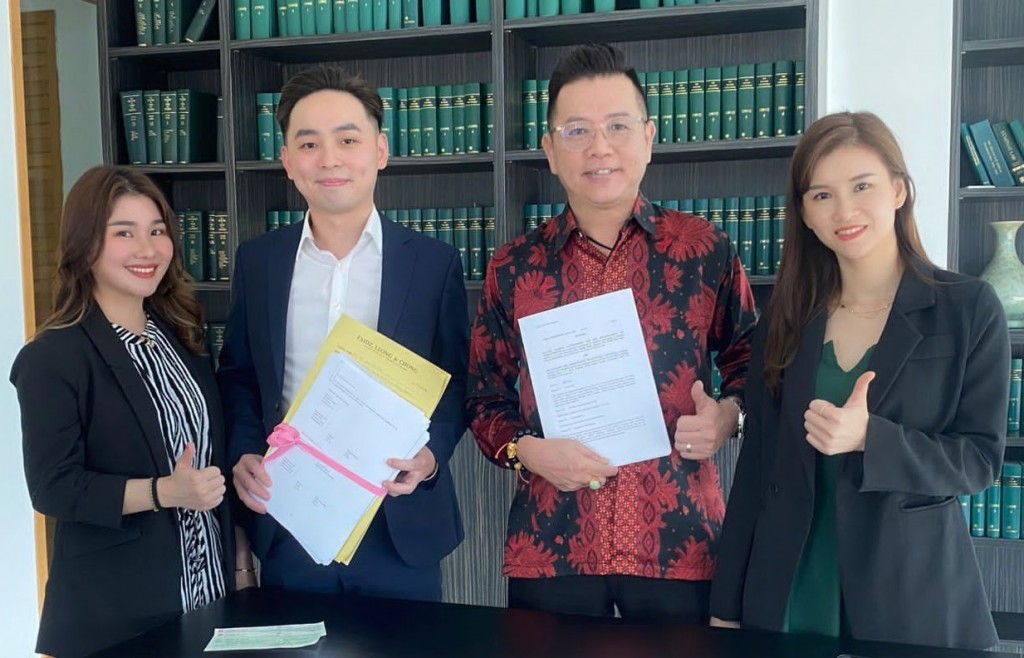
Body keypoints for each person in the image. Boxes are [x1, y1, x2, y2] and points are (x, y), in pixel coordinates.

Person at [466, 43, 756, 621]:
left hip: (680, 544)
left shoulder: (704, 251)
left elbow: (754, 359)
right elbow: (483, 397)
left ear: (649, 137)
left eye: (617, 127)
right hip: (552, 548)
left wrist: (730, 416)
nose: (599, 148)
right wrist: (529, 453)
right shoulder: (514, 267)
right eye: (576, 131)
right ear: (549, 150)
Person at [708, 112, 1009, 650]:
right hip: (790, 588)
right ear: (803, 211)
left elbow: (979, 460)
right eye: (821, 195)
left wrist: (873, 438)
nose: (843, 211)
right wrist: (726, 605)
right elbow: (755, 470)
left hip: (908, 592)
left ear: (898, 190)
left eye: (861, 186)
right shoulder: (785, 317)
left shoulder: (966, 308)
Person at [220, 64, 468, 602]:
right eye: (308, 143)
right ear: (286, 160)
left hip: (398, 518)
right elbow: (238, 375)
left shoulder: (433, 263)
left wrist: (430, 458)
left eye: (347, 139)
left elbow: (455, 384)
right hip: (289, 518)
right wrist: (242, 452)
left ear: (380, 150)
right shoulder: (259, 262)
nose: (329, 159)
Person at [10, 165, 237, 658]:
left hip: (207, 596)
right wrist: (165, 492)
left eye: (157, 231)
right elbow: (54, 487)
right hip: (117, 614)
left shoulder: (184, 338)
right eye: (124, 233)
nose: (147, 249)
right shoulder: (53, 357)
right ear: (85, 245)